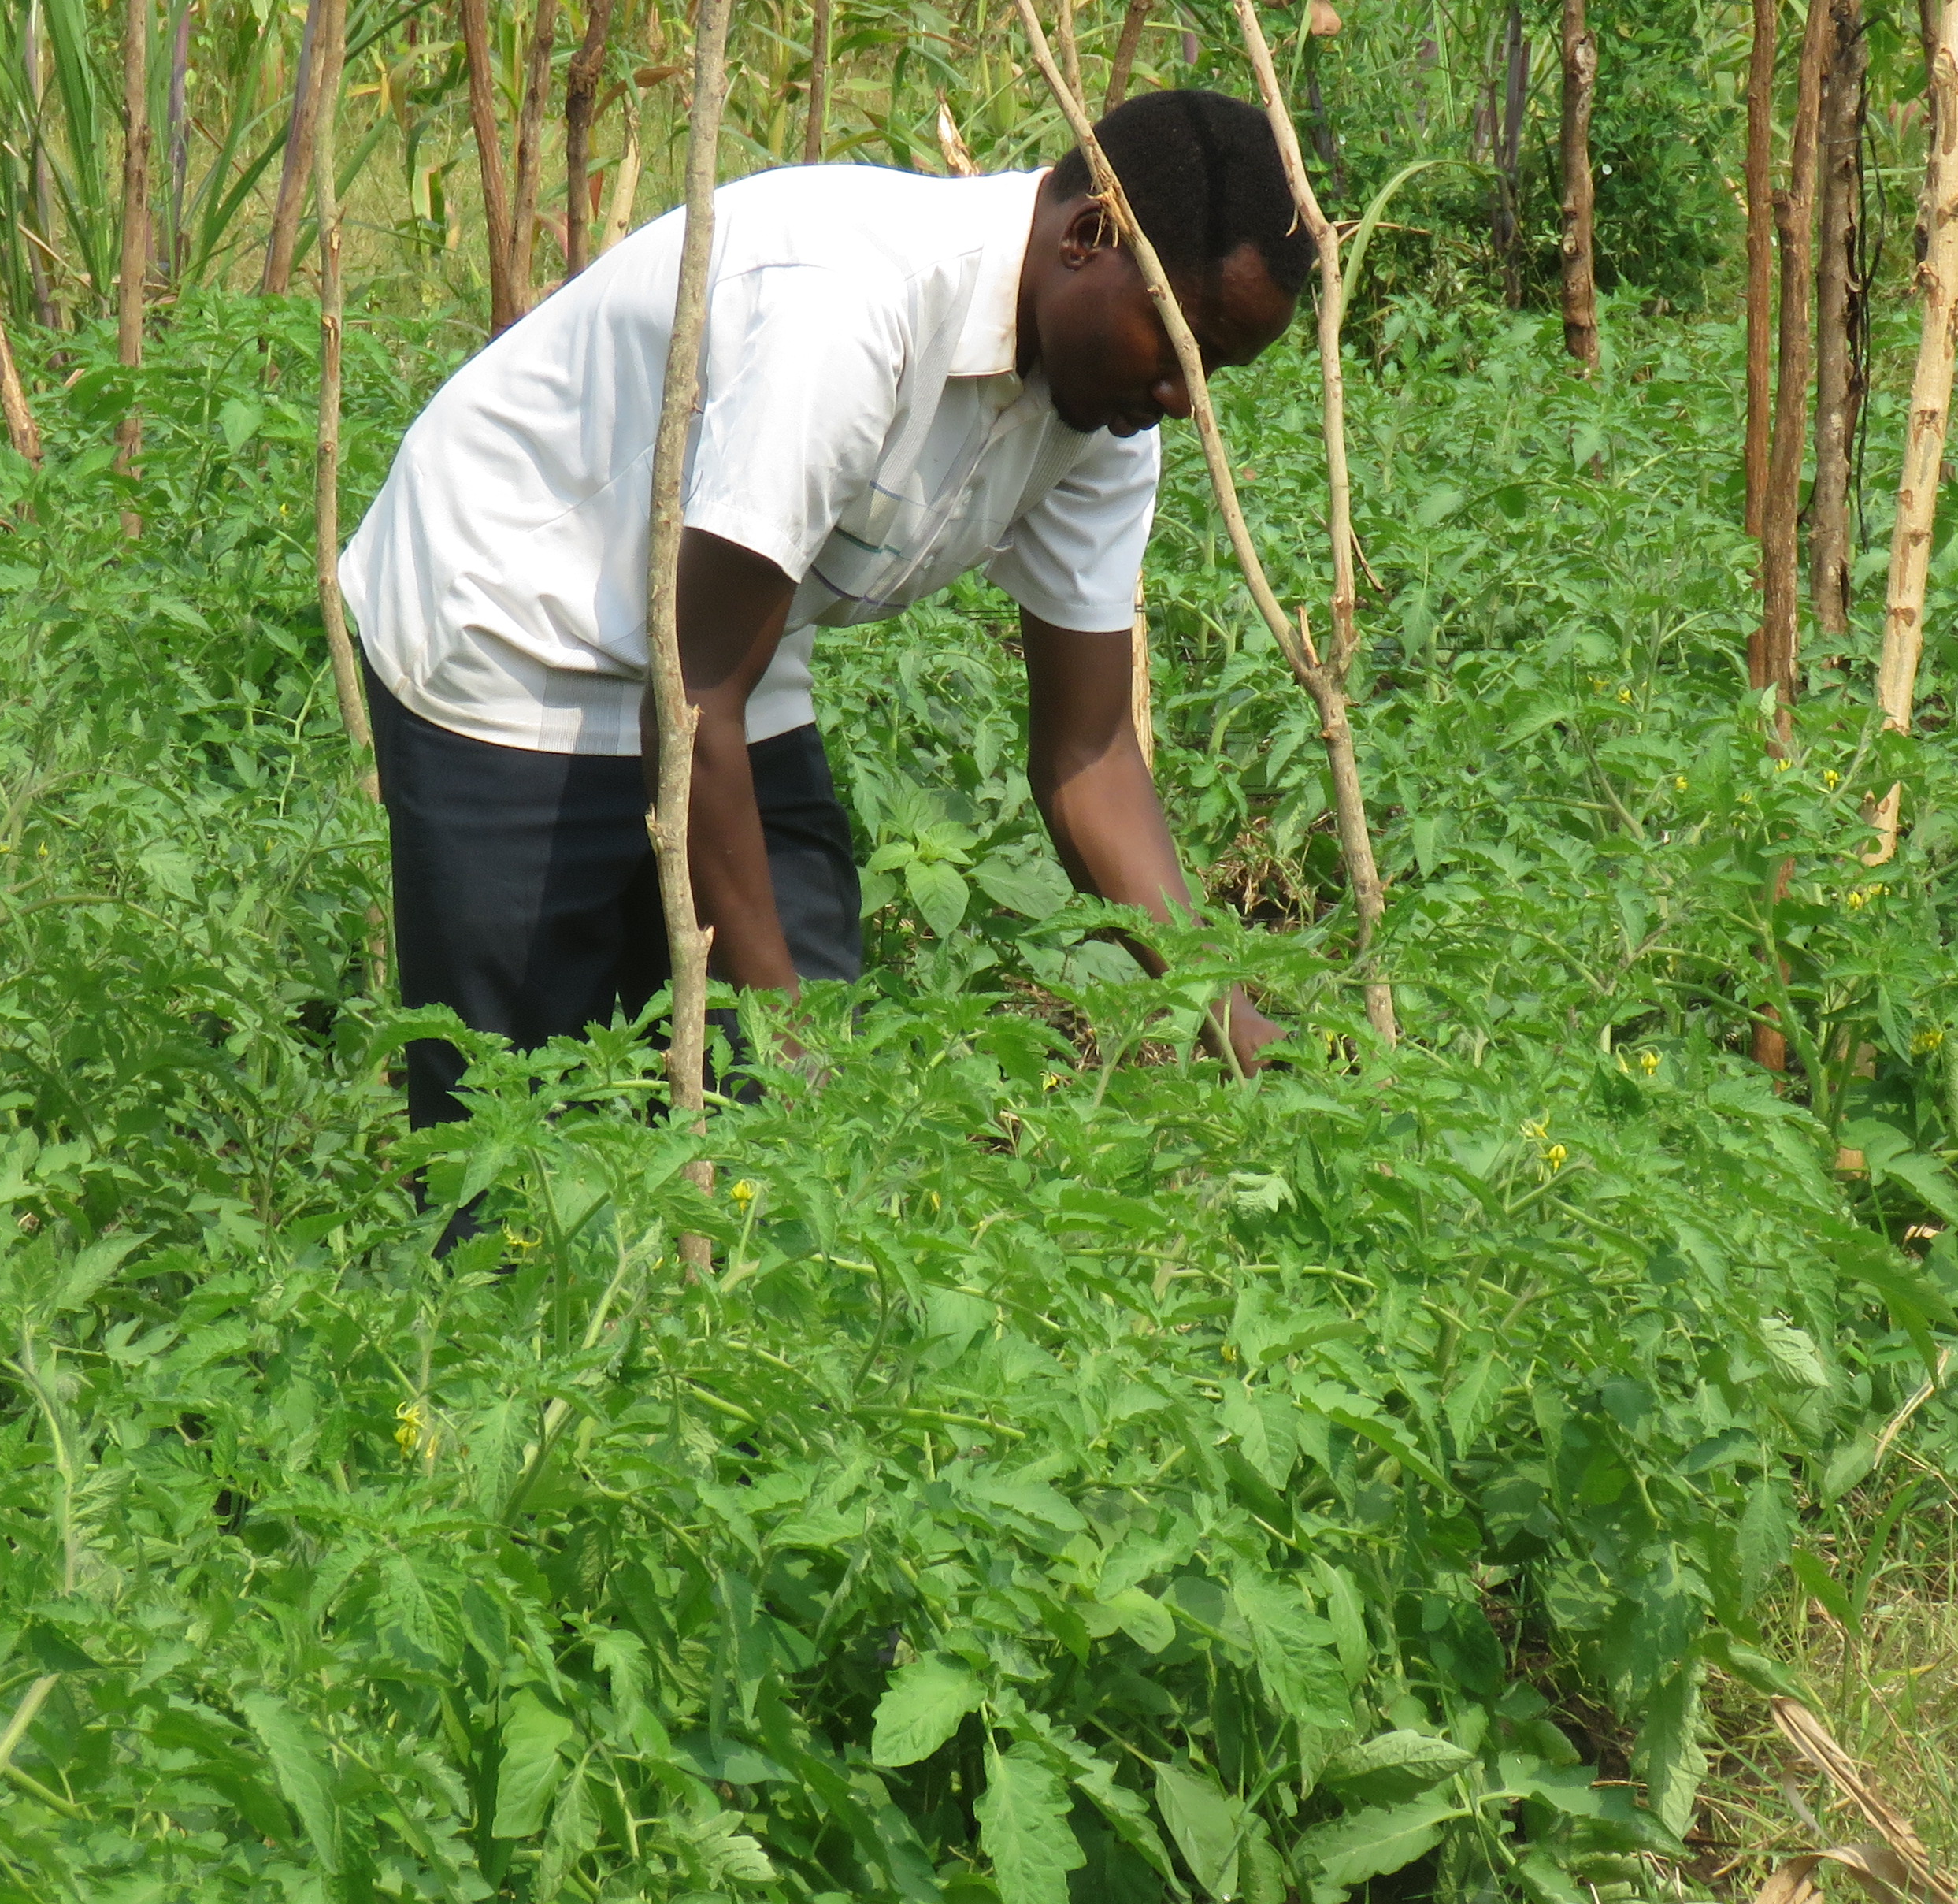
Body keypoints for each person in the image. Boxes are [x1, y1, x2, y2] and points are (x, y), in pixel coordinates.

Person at [339, 87, 1310, 1141]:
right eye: (1181, 346)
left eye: (1215, 372)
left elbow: (1091, 755)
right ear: (1088, 239)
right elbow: (692, 697)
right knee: (519, 1122)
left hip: (723, 645)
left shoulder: (1105, 415)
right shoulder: (849, 313)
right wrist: (784, 1040)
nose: (1185, 399)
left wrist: (1230, 1016)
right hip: (512, 618)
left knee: (798, 1089)